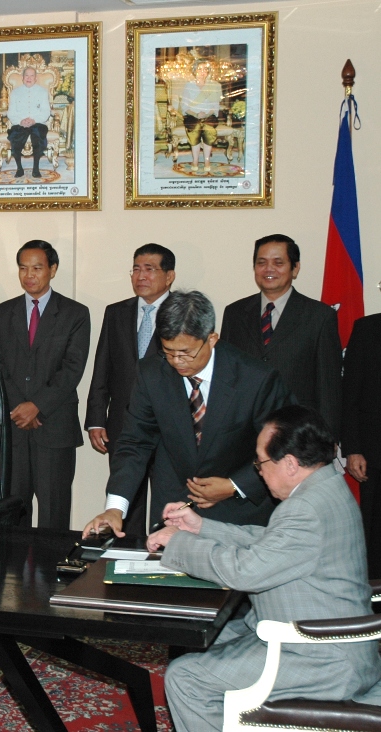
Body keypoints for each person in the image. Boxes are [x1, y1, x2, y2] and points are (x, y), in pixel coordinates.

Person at [149, 405, 381, 731]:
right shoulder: (326, 486)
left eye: (260, 461)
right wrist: (201, 528)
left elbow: (244, 571)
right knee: (207, 635)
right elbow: (270, 541)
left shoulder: (306, 509)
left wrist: (178, 543)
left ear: (289, 464)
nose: (257, 470)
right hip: (321, 634)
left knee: (186, 678)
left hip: (321, 657)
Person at [83, 291, 293, 538]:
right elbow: (135, 442)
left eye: (186, 352)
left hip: (238, 514)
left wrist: (233, 486)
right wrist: (115, 509)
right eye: (168, 351)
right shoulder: (152, 373)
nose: (177, 361)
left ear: (211, 339)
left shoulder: (255, 379)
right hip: (174, 509)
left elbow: (282, 447)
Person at [0, 240, 90, 530]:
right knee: (12, 512)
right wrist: (20, 408)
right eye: (23, 268)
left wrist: (37, 406)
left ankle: (51, 573)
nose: (29, 275)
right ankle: (13, 575)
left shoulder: (75, 314)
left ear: (53, 270)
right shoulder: (1, 314)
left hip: (54, 427)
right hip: (13, 427)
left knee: (53, 514)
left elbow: (72, 369)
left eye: (37, 268)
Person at [84, 244, 177, 536]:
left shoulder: (182, 313)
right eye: (136, 268)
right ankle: (127, 559)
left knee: (167, 501)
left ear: (169, 275)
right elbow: (103, 368)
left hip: (168, 426)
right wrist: (96, 419)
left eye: (150, 269)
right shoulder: (116, 312)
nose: (141, 275)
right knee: (127, 498)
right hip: (123, 424)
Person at [220, 234, 342, 439]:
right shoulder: (234, 312)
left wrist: (327, 437)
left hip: (299, 431)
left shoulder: (319, 316)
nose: (269, 269)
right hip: (242, 432)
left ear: (295, 268)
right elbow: (225, 376)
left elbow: (328, 387)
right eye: (261, 263)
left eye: (278, 263)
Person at [342, 313, 381, 575]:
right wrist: (352, 448)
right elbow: (349, 393)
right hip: (374, 452)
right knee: (376, 532)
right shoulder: (367, 329)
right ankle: (376, 598)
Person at [6, 66, 52, 179]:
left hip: (37, 122)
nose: (29, 78)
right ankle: (19, 168)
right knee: (15, 136)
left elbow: (46, 112)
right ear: (22, 78)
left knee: (38, 135)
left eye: (32, 75)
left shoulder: (43, 92)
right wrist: (20, 121)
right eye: (26, 75)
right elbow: (11, 112)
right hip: (20, 123)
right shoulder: (15, 93)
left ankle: (36, 169)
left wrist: (33, 120)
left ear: (36, 78)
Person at [178, 59, 223, 174]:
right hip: (192, 115)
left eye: (205, 69)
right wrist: (196, 114)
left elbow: (215, 105)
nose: (202, 72)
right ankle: (195, 160)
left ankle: (207, 160)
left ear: (208, 72)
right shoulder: (189, 85)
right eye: (200, 69)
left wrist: (207, 114)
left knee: (208, 128)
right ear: (194, 71)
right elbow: (185, 106)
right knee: (196, 127)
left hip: (209, 115)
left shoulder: (213, 86)